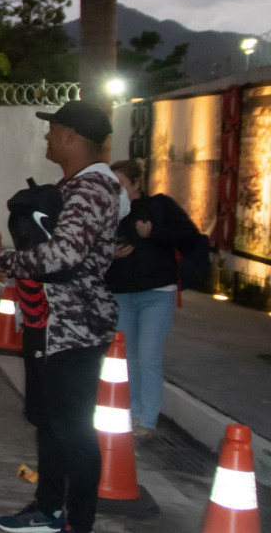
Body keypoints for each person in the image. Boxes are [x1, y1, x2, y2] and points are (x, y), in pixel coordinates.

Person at [0, 101, 125, 533]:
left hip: (73, 326)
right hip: (53, 322)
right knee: (49, 423)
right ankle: (47, 510)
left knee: (72, 429)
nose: (47, 136)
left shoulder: (91, 189)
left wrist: (4, 259)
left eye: (53, 129)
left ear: (72, 136)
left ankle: (75, 522)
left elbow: (64, 254)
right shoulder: (78, 185)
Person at [106, 159, 198, 440]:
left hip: (156, 293)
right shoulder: (109, 212)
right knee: (128, 358)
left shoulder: (159, 206)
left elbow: (190, 237)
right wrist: (110, 252)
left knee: (148, 355)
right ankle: (132, 413)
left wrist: (153, 232)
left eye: (121, 184)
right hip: (122, 292)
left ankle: (147, 419)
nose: (116, 190)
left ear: (136, 184)